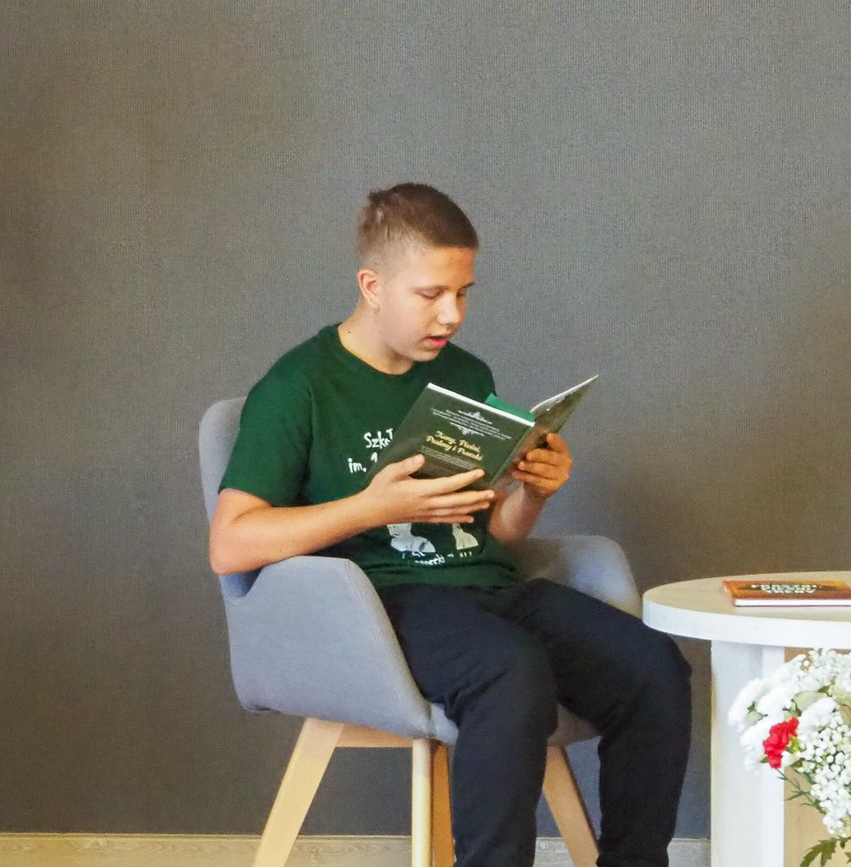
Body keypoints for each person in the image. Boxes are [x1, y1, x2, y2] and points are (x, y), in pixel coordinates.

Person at [209, 183, 690, 867]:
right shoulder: (299, 387)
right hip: (379, 605)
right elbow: (230, 544)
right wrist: (374, 507)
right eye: (430, 294)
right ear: (373, 286)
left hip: (490, 589)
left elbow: (493, 534)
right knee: (509, 671)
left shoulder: (463, 375)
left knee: (652, 668)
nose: (452, 315)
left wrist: (532, 491)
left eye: (463, 293)